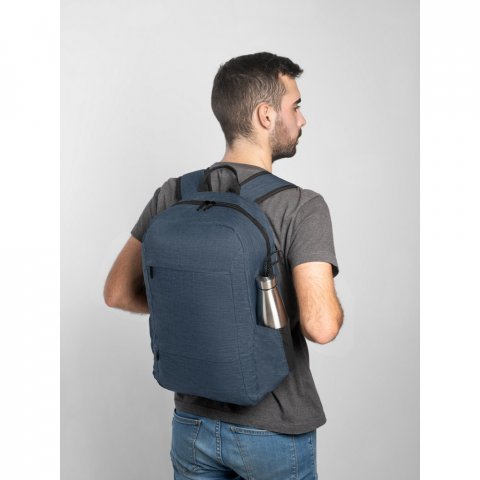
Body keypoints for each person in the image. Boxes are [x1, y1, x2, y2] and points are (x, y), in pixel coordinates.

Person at [104, 52, 344, 479]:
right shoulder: (300, 205)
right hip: (275, 429)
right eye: (295, 106)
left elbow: (118, 292)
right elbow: (321, 326)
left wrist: (201, 307)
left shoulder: (174, 194)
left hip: (192, 423)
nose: (302, 119)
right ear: (266, 115)